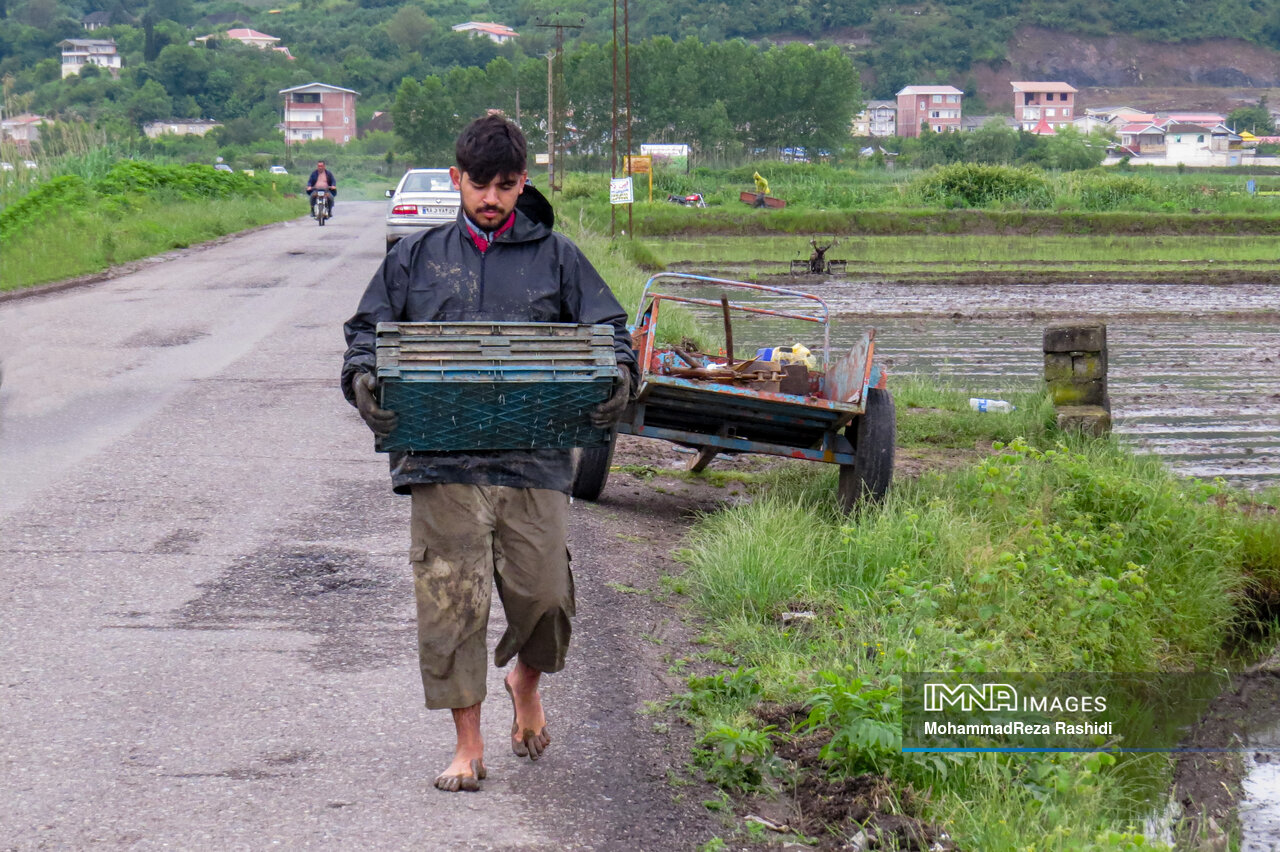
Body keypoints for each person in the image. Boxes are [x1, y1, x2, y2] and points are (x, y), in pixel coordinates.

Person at [340, 114, 637, 794]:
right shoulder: (413, 260)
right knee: (452, 606)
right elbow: (365, 338)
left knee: (547, 599)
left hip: (533, 458)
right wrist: (364, 384)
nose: (492, 199)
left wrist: (618, 380)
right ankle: (467, 748)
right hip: (439, 461)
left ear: (522, 180)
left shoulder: (559, 258)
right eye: (479, 185)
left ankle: (525, 681)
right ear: (456, 180)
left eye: (506, 185)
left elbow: (611, 335)